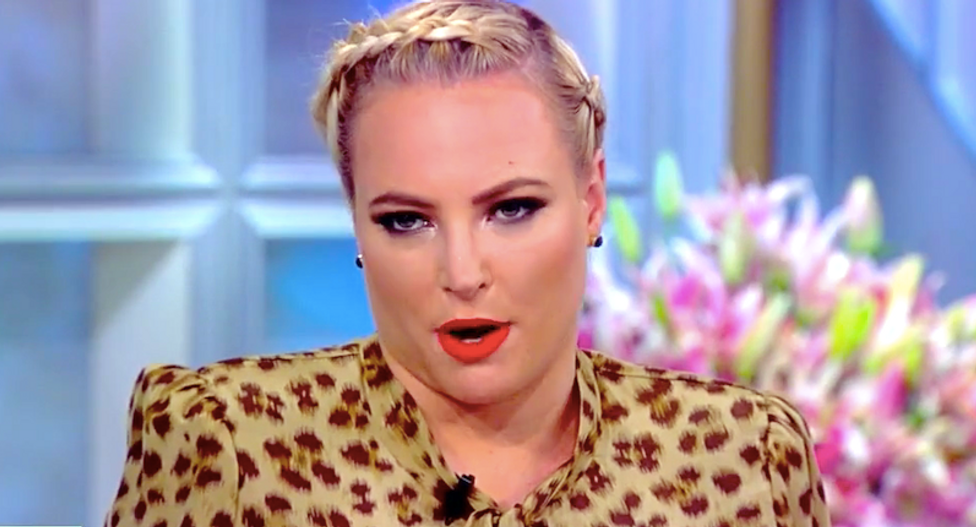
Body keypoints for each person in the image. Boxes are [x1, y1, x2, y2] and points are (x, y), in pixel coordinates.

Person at [104, 1, 830, 526]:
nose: (462, 270)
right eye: (406, 220)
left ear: (591, 201)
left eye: (511, 209)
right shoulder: (232, 442)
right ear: (357, 225)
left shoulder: (744, 457)